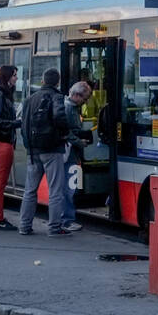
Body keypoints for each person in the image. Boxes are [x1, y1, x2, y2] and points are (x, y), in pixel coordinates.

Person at [18, 67, 73, 236]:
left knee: (30, 190)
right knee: (55, 190)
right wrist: (64, 134)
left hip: (33, 151)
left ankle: (24, 226)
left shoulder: (29, 99)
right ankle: (54, 227)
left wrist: (29, 145)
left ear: (42, 81)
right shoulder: (57, 97)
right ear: (57, 82)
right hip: (52, 149)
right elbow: (59, 118)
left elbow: (23, 124)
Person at [0, 65, 20, 230]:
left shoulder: (4, 94)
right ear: (7, 76)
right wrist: (15, 123)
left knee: (0, 182)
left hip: (5, 141)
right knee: (0, 183)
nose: (16, 78)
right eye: (14, 75)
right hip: (2, 142)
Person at [60, 80, 93, 230]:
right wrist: (80, 142)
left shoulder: (69, 107)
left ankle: (66, 219)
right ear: (77, 95)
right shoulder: (69, 109)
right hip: (69, 153)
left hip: (71, 153)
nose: (84, 103)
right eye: (84, 99)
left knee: (69, 186)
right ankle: (66, 220)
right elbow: (67, 132)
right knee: (69, 187)